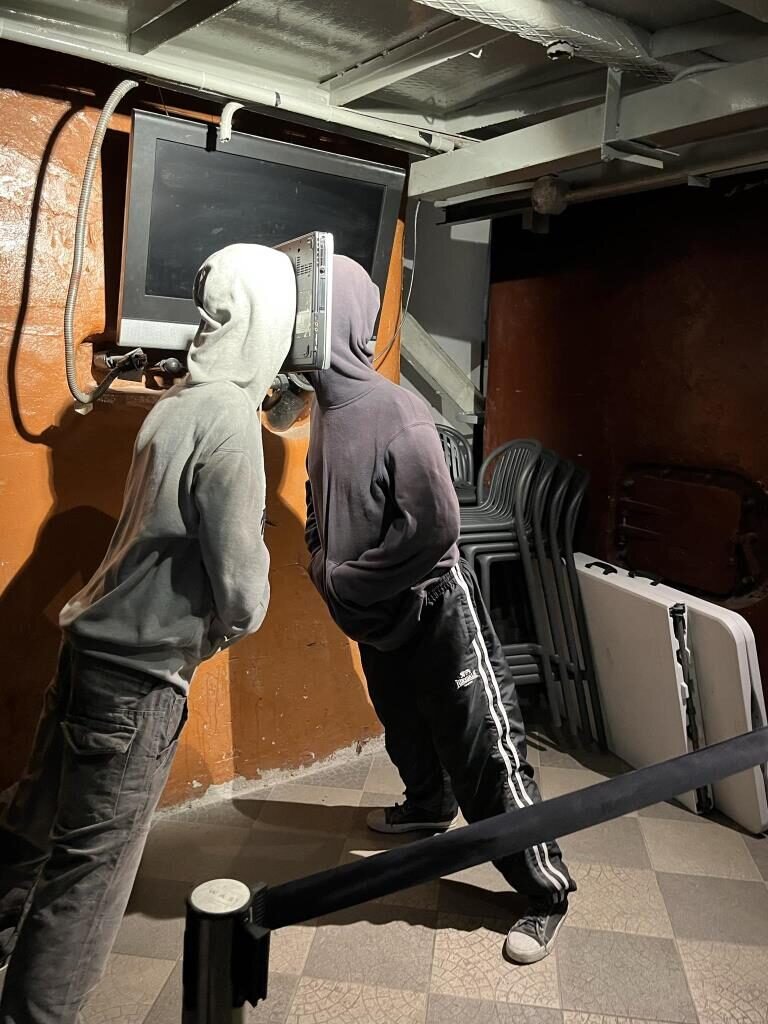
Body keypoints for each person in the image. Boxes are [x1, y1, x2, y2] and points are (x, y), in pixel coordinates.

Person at [0, 243, 296, 1022]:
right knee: (88, 880)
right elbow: (242, 587)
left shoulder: (176, 403)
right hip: (139, 681)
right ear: (269, 322)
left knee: (32, 831)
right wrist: (222, 632)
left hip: (86, 652)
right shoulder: (230, 419)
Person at [304, 255, 575, 965]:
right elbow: (317, 503)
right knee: (404, 722)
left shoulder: (396, 410)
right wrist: (322, 565)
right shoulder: (324, 411)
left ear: (336, 319)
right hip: (375, 614)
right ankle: (427, 806)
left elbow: (434, 528)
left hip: (437, 608)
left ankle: (546, 890)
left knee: (483, 748)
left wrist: (348, 581)